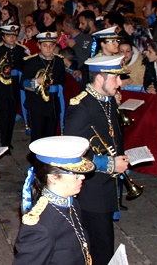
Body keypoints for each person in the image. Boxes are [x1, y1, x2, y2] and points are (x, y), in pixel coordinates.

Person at [64, 54, 130, 265]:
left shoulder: (107, 99)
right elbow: (72, 152)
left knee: (103, 242)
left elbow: (112, 135)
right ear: (100, 78)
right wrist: (111, 164)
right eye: (115, 78)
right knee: (99, 245)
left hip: (106, 184)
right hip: (91, 188)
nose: (120, 83)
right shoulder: (81, 107)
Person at [13, 135, 95, 265]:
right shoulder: (40, 227)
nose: (82, 177)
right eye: (75, 173)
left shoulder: (71, 202)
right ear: (53, 177)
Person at [0, 24, 28, 150]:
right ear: (4, 37)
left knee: (12, 114)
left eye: (14, 35)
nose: (11, 38)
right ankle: (4, 141)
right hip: (1, 87)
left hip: (15, 86)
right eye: (8, 35)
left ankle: (9, 139)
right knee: (3, 115)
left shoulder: (21, 50)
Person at [22, 32, 66, 141]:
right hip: (37, 104)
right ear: (39, 46)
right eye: (45, 45)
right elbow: (23, 84)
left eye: (51, 45)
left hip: (53, 104)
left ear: (55, 46)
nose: (48, 48)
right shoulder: (32, 62)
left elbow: (62, 79)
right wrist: (37, 81)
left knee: (51, 137)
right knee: (37, 136)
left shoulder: (59, 61)